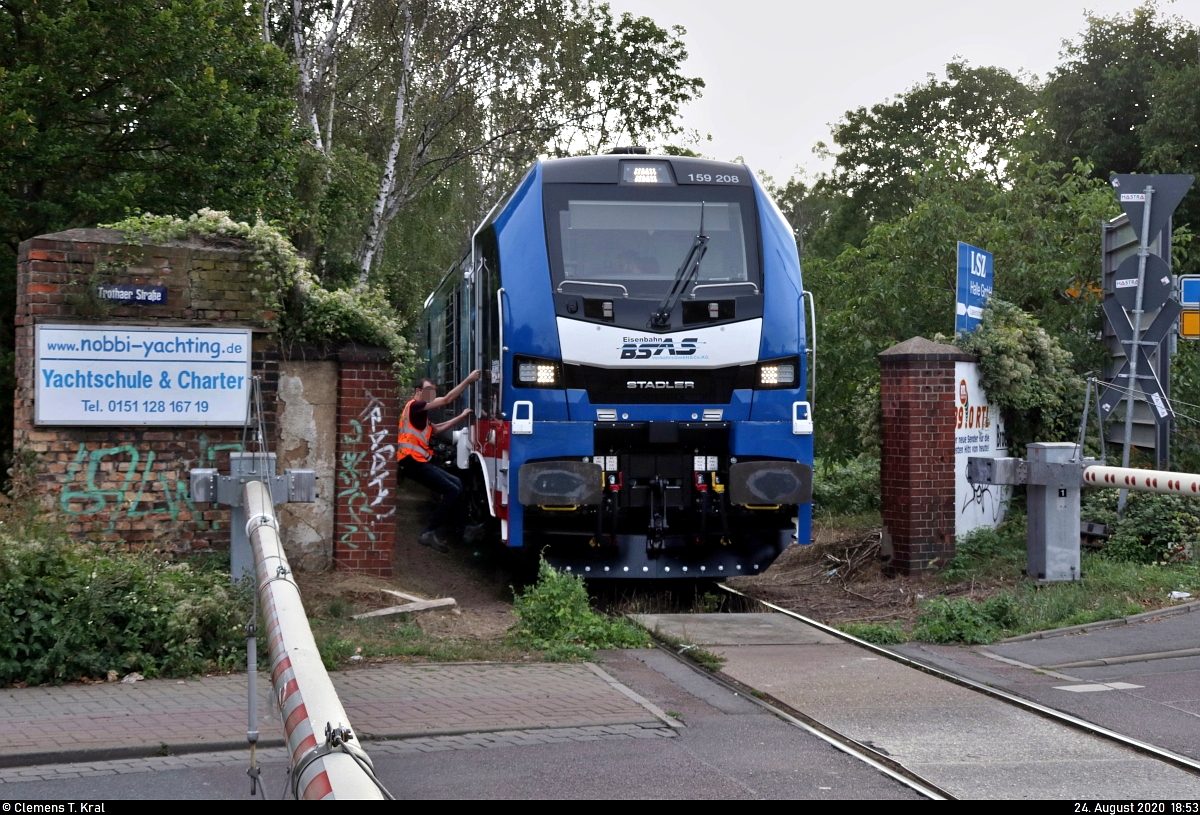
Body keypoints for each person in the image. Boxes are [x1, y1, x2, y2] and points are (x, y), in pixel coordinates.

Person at [397, 370, 481, 552]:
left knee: (457, 483)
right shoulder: (415, 406)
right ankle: (429, 532)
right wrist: (468, 379)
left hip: (417, 461)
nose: (430, 396)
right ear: (418, 391)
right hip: (413, 461)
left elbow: (435, 430)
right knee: (451, 489)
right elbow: (447, 400)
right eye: (428, 391)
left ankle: (465, 527)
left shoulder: (419, 413)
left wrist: (460, 417)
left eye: (432, 392)